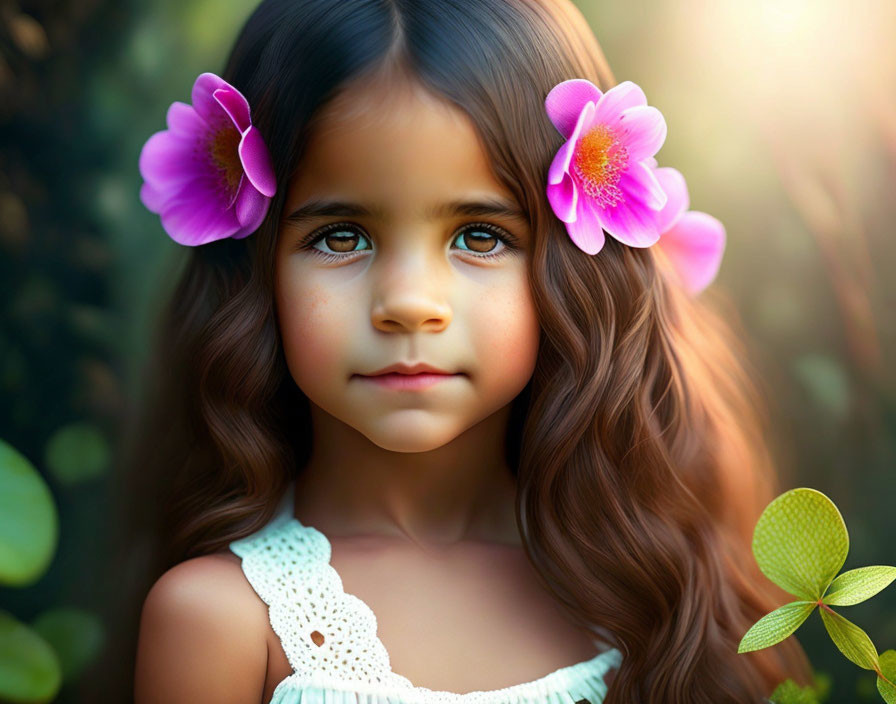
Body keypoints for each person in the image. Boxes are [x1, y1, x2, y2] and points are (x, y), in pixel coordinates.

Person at [96, 1, 815, 702]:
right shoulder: (220, 624)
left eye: (481, 235)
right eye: (341, 235)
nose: (409, 301)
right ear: (255, 269)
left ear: (575, 265)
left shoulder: (663, 596)